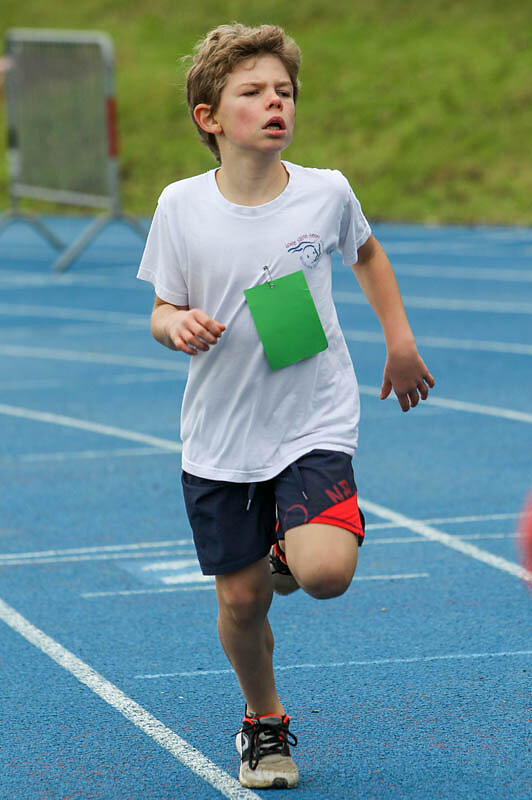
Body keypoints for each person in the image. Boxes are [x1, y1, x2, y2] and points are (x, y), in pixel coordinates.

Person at [137, 23, 434, 790]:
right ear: (209, 116)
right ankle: (263, 721)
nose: (276, 102)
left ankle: (290, 550)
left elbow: (367, 253)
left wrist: (399, 342)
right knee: (241, 602)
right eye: (254, 92)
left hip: (313, 417)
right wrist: (176, 325)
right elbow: (162, 307)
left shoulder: (325, 192)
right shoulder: (181, 206)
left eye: (285, 91)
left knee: (327, 572)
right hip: (223, 432)